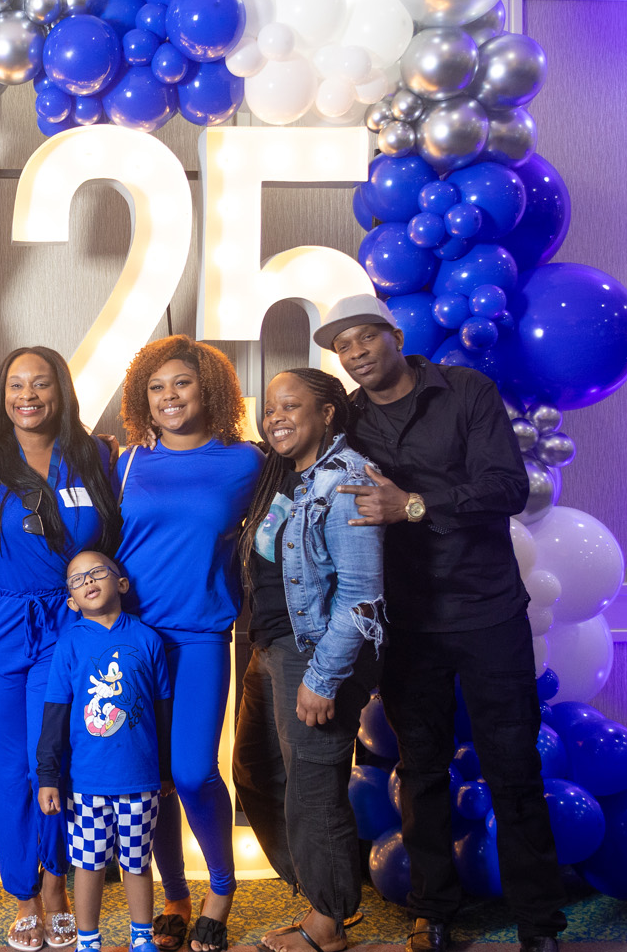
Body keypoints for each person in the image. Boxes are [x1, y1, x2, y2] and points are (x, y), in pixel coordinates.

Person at [319, 294, 566, 952]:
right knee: (420, 771)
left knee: (513, 768)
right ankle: (434, 914)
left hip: (488, 612)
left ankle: (539, 922)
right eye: (342, 347)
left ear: (395, 336)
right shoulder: (349, 420)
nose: (354, 353)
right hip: (406, 623)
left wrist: (414, 505)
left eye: (364, 337)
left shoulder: (465, 391)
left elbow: (507, 487)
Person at [0, 346, 120, 952]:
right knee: (6, 769)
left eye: (41, 383)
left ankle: (56, 885)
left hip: (67, 625)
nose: (27, 395)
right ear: (2, 394)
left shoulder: (95, 455)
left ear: (62, 391)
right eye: (16, 384)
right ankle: (23, 893)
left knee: (50, 761)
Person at [113, 336, 260, 952]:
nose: (169, 396)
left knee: (193, 771)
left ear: (210, 390)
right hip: (130, 638)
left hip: (201, 634)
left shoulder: (247, 462)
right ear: (142, 398)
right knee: (149, 779)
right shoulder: (125, 463)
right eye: (156, 387)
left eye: (182, 383)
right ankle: (174, 895)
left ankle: (220, 889)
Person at [231, 368, 384, 952]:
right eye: (270, 408)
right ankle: (320, 887)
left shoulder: (346, 479)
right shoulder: (283, 476)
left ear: (327, 413)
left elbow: (362, 595)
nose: (276, 417)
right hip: (270, 645)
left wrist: (323, 678)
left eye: (291, 406)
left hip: (315, 652)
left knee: (314, 787)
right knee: (255, 770)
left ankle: (329, 920)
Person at [37, 550, 172, 952]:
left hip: (140, 781)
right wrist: (47, 776)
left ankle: (142, 937)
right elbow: (55, 716)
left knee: (138, 863)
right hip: (87, 785)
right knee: (88, 865)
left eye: (97, 572)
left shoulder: (148, 639)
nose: (88, 582)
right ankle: (88, 940)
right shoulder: (69, 645)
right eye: (77, 579)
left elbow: (163, 713)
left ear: (122, 583)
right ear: (71, 601)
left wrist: (165, 770)